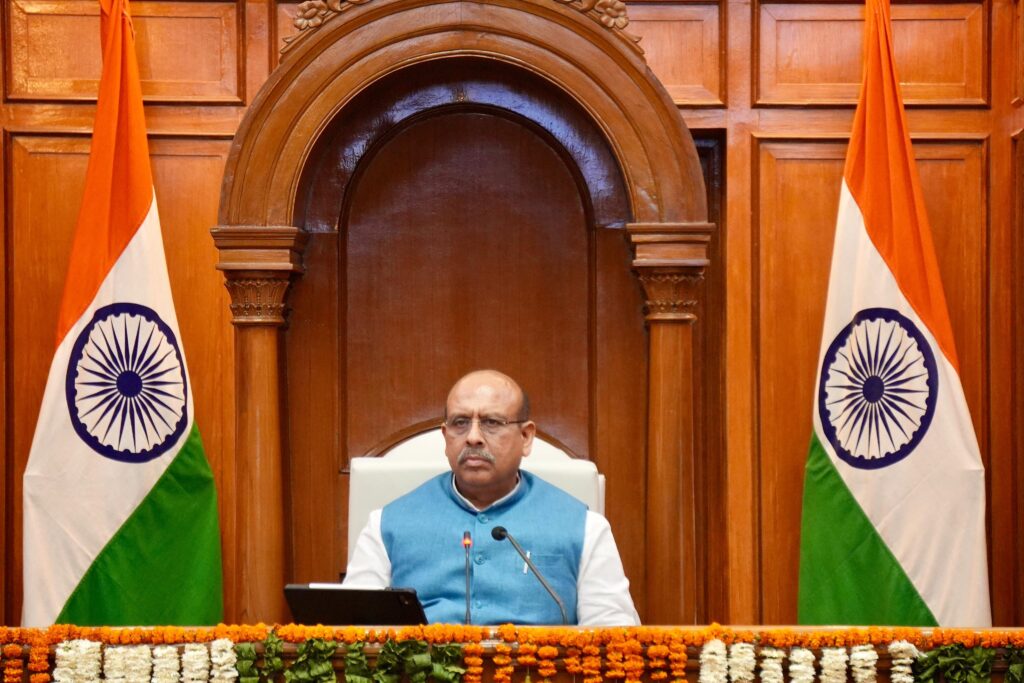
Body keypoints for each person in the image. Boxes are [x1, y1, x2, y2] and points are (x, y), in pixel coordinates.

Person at [343, 369, 640, 626]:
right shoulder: (386, 524)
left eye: (492, 422)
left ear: (526, 437)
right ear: (445, 437)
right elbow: (349, 631)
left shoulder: (584, 526)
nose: (473, 437)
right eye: (460, 422)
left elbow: (614, 634)